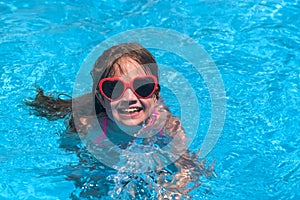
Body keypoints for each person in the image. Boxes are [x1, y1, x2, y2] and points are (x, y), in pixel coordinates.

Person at [26, 42, 214, 199]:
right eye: (114, 88)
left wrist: (176, 188)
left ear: (155, 94)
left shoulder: (166, 124)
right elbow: (72, 155)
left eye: (143, 86)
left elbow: (190, 167)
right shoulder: (88, 125)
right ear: (101, 98)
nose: (130, 97)